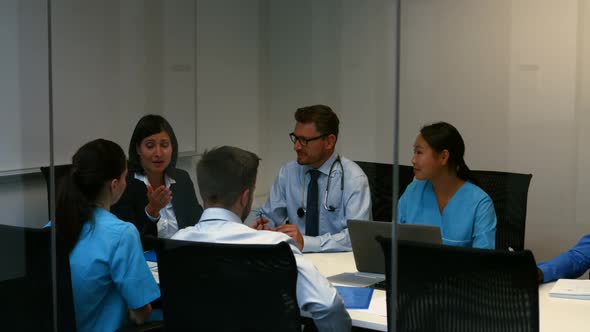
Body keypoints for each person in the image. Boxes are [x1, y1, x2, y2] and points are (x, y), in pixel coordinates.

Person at [172, 146, 352, 332]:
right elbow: (328, 305)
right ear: (245, 197)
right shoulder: (275, 248)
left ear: (203, 192)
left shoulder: (177, 243)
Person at [54, 139, 160, 332]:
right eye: (125, 177)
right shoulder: (121, 234)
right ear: (113, 185)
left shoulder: (53, 227)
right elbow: (140, 314)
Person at [253, 105, 371, 252]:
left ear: (329, 142)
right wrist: (263, 226)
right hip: (294, 259)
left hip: (337, 263)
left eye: (304, 140)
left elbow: (357, 237)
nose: (296, 147)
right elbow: (269, 215)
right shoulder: (288, 172)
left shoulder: (354, 179)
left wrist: (307, 243)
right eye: (295, 138)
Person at [398, 122, 496, 249]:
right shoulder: (412, 192)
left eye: (419, 152)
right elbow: (393, 245)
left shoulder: (480, 203)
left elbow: (484, 263)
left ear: (443, 156)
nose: (413, 160)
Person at [112, 114, 203, 239]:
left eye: (164, 145)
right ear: (138, 149)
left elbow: (196, 223)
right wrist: (151, 211)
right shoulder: (125, 183)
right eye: (150, 146)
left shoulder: (182, 179)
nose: (158, 153)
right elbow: (126, 239)